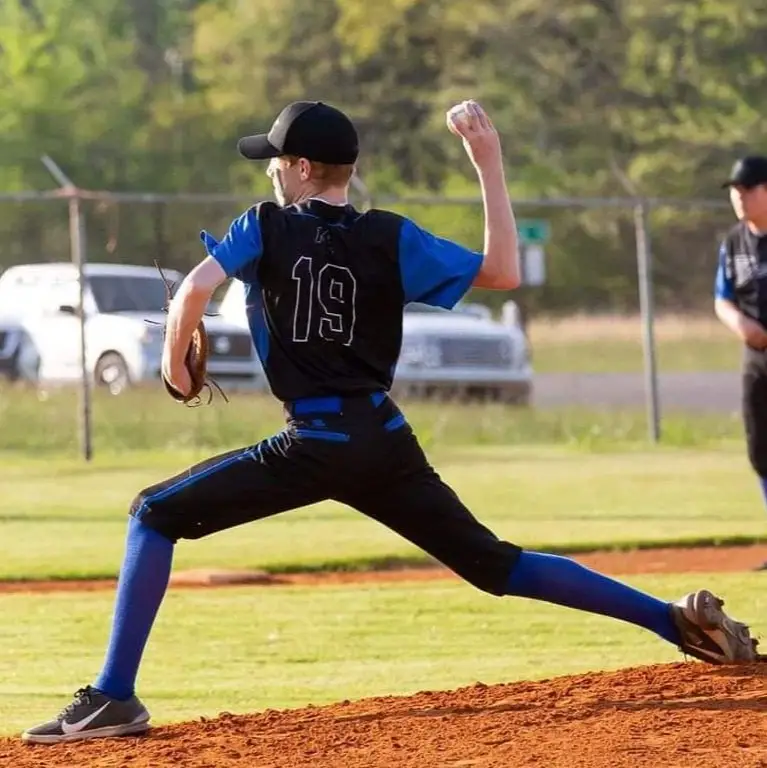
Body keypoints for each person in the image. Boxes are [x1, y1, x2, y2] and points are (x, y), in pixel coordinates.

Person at [23, 100, 760, 745]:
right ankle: (672, 620)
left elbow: (192, 291)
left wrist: (175, 370)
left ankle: (114, 696)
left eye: (277, 160)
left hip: (314, 441)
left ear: (303, 168)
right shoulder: (389, 236)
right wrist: (487, 161)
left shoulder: (264, 226)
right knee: (494, 563)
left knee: (152, 514)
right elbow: (503, 271)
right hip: (382, 438)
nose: (270, 171)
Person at [714, 155, 767, 570]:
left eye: (747, 189)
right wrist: (741, 324)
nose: (739, 197)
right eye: (735, 190)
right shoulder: (734, 242)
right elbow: (722, 297)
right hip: (757, 360)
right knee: (761, 451)